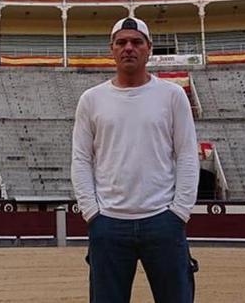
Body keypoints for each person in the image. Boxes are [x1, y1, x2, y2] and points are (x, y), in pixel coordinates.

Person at [71, 17, 200, 303]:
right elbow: (81, 159)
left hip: (163, 220)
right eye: (122, 42)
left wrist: (179, 212)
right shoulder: (91, 99)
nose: (129, 47)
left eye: (136, 42)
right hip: (108, 223)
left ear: (149, 48)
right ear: (112, 49)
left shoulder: (173, 95)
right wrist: (92, 213)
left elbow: (187, 155)